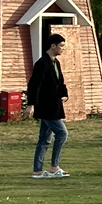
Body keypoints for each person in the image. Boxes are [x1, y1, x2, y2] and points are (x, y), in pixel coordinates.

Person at [27, 33, 70, 178]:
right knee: (62, 133)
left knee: (44, 138)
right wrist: (31, 104)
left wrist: (64, 94)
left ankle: (37, 171)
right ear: (53, 46)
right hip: (46, 107)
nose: (63, 49)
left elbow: (60, 82)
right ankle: (54, 166)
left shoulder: (55, 63)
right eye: (61, 46)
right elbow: (34, 85)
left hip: (55, 105)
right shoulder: (42, 63)